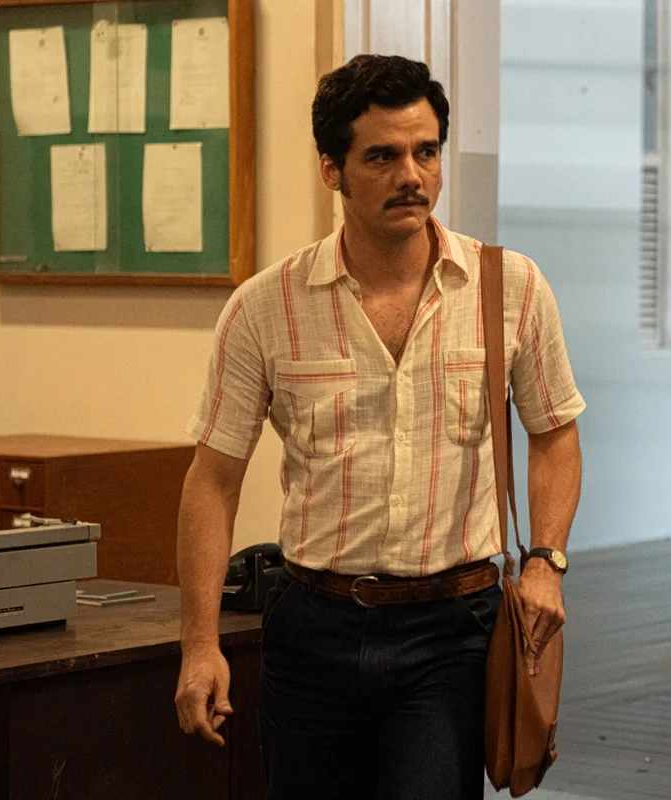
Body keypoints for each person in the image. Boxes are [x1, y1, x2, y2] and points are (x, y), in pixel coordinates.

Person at [174, 54, 584, 800]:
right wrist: (200, 643)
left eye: (427, 152)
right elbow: (213, 481)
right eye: (383, 156)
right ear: (331, 169)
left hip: (450, 629)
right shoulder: (266, 308)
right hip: (312, 627)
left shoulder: (510, 287)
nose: (412, 176)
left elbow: (554, 434)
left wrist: (545, 563)